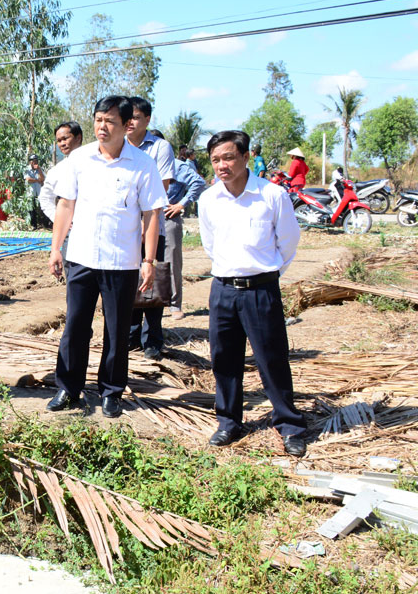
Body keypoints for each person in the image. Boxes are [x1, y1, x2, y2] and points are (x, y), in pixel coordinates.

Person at [47, 96, 167, 417]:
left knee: (116, 329)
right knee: (75, 326)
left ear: (127, 125)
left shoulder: (142, 164)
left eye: (109, 121)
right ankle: (68, 388)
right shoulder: (80, 158)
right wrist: (57, 247)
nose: (102, 126)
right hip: (82, 257)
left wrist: (148, 260)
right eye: (98, 119)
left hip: (121, 261)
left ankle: (111, 391)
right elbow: (65, 204)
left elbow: (151, 214)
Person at [198, 130, 307, 457]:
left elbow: (288, 242)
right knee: (224, 360)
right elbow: (209, 245)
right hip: (223, 292)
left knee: (272, 359)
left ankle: (290, 425)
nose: (222, 166)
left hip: (261, 290)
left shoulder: (272, 196)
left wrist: (266, 274)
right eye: (216, 160)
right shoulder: (208, 199)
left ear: (246, 157)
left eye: (229, 157)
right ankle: (229, 422)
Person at [125, 97, 174, 361]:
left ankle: (153, 338)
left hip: (153, 226)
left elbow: (161, 189)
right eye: (127, 117)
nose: (130, 122)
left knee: (154, 283)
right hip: (126, 231)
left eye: (136, 117)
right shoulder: (117, 146)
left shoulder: (160, 148)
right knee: (129, 282)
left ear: (147, 120)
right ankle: (132, 337)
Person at [165, 147, 206, 320]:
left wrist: (181, 204)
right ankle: (143, 304)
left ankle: (174, 305)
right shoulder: (140, 163)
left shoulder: (177, 166)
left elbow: (198, 183)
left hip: (168, 217)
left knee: (172, 261)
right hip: (142, 218)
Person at [40, 121, 83, 225]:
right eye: (59, 140)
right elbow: (45, 198)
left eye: (65, 139)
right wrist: (60, 220)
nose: (62, 144)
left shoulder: (97, 163)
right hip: (71, 233)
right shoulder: (57, 171)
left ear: (78, 138)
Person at [24, 154, 46, 228]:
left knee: (41, 209)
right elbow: (28, 179)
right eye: (33, 161)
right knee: (31, 210)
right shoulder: (27, 170)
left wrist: (39, 170)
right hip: (31, 193)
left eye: (36, 161)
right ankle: (33, 225)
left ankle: (44, 224)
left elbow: (43, 178)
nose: (35, 162)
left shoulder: (39, 169)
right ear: (30, 162)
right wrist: (37, 180)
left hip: (39, 193)